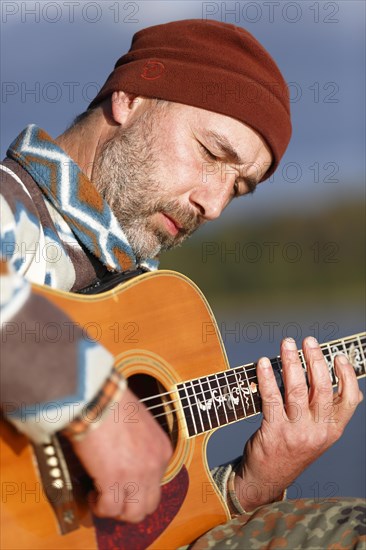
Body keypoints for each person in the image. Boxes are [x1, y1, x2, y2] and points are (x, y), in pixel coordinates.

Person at [1, 19, 365, 549]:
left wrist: (253, 483)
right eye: (212, 154)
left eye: (238, 189)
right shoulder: (11, 210)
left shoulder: (146, 299)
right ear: (130, 98)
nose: (214, 206)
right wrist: (93, 402)